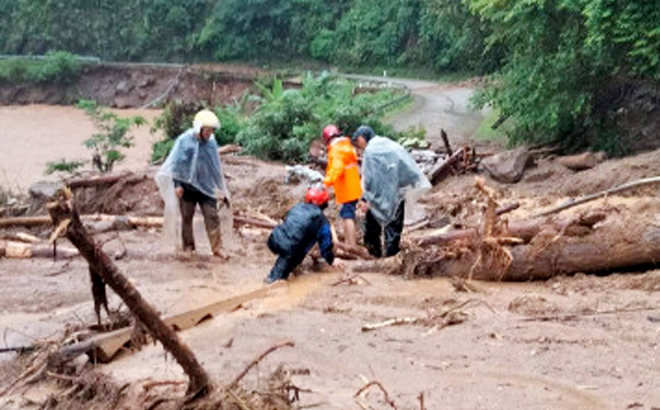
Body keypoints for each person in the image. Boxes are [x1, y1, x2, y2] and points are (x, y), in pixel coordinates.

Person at [155, 109, 230, 257]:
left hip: (206, 187)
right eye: (207, 130)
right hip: (187, 187)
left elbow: (215, 167)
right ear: (199, 128)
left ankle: (217, 248)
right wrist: (177, 184)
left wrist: (221, 189)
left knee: (212, 216)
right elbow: (176, 165)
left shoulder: (211, 143)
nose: (209, 133)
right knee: (186, 218)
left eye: (211, 130)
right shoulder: (184, 141)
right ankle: (188, 247)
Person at [352, 125, 431, 257]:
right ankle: (392, 258)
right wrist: (407, 183)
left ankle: (374, 256)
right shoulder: (387, 144)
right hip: (396, 194)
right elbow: (406, 164)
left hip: (377, 196)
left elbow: (369, 178)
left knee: (372, 228)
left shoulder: (371, 152)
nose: (358, 143)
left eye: (358, 140)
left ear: (364, 136)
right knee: (393, 228)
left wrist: (365, 198)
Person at [265, 185, 341, 284]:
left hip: (274, 239)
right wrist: (331, 260)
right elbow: (325, 244)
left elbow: (289, 222)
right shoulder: (321, 220)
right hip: (290, 248)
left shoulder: (297, 207)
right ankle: (276, 279)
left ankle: (290, 270)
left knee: (291, 255)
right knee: (276, 279)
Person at [321, 124, 362, 247]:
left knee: (347, 216)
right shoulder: (346, 146)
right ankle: (349, 243)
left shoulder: (336, 150)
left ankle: (351, 245)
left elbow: (336, 169)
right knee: (348, 215)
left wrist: (326, 183)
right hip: (352, 188)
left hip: (347, 189)